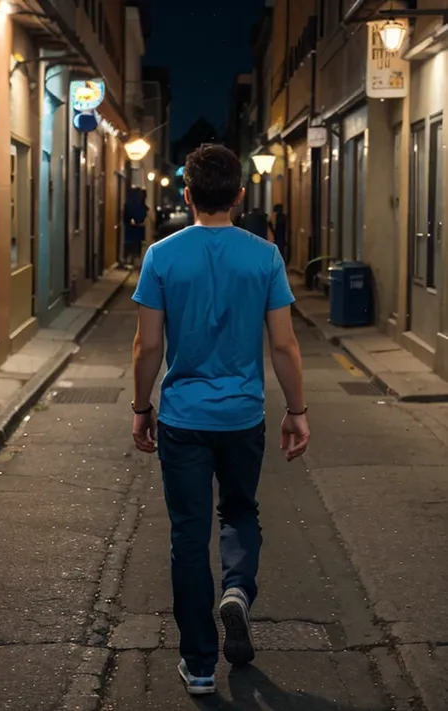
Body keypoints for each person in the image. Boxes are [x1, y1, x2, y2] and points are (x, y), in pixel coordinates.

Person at [131, 144, 309, 696]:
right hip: (242, 416)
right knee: (239, 511)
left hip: (183, 418)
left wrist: (142, 409)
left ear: (187, 195)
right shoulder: (265, 257)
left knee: (188, 536)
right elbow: (284, 344)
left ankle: (200, 664)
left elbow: (148, 345)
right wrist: (296, 411)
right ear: (239, 194)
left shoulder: (162, 255)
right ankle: (237, 590)